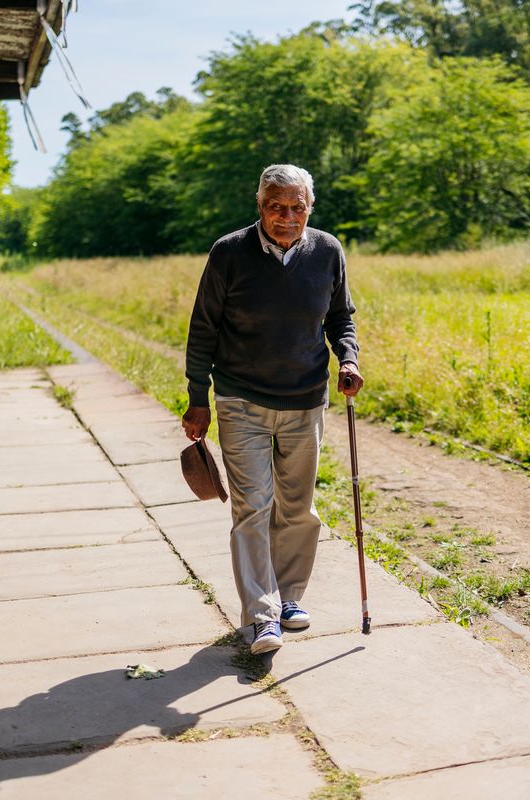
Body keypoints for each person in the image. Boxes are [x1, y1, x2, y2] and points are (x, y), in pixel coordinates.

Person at [182, 164, 363, 656]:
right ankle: (262, 617)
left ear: (310, 207)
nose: (286, 217)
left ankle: (289, 596)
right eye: (275, 207)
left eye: (296, 207)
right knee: (253, 507)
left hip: (306, 399)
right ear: (259, 206)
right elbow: (204, 327)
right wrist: (198, 398)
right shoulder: (229, 252)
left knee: (297, 508)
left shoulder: (327, 251)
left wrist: (348, 358)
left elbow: (340, 317)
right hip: (241, 398)